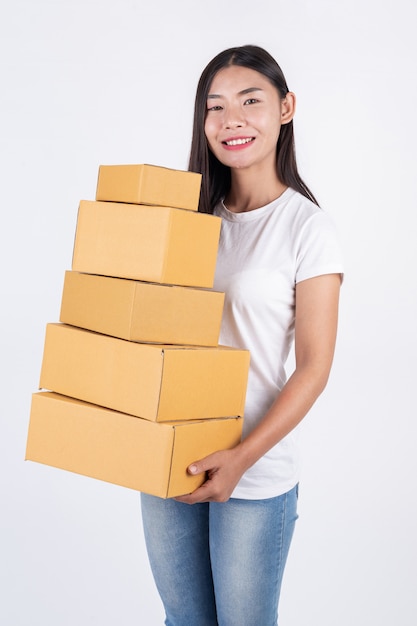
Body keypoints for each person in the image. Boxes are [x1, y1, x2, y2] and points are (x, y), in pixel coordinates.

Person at [140, 44, 343, 626]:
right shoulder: (186, 219)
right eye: (215, 106)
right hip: (170, 456)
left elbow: (314, 366)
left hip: (255, 469)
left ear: (286, 108)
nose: (231, 119)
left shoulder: (308, 228)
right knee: (184, 621)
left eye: (250, 101)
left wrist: (240, 459)